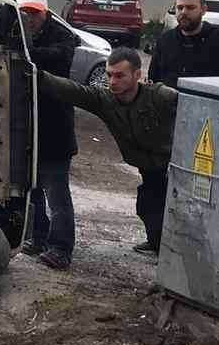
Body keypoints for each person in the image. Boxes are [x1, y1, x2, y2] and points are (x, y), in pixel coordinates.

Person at [37, 48, 179, 257]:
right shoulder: (106, 100)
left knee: (168, 209)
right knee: (148, 205)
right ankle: (161, 248)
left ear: (137, 75)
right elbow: (75, 91)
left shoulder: (159, 96)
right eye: (109, 74)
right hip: (149, 168)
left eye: (120, 75)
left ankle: (172, 257)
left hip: (175, 167)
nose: (112, 81)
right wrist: (38, 76)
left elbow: (195, 109)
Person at [5, 0, 79, 270]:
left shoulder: (62, 38)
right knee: (32, 189)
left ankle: (61, 248)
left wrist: (23, 51)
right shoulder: (19, 33)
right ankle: (38, 238)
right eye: (25, 12)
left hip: (54, 132)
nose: (30, 17)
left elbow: (54, 59)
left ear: (45, 13)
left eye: (35, 13)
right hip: (29, 130)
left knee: (56, 192)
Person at [148, 0, 219, 88]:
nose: (184, 12)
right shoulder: (165, 41)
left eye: (190, 7)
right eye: (180, 8)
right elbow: (153, 80)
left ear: (203, 10)